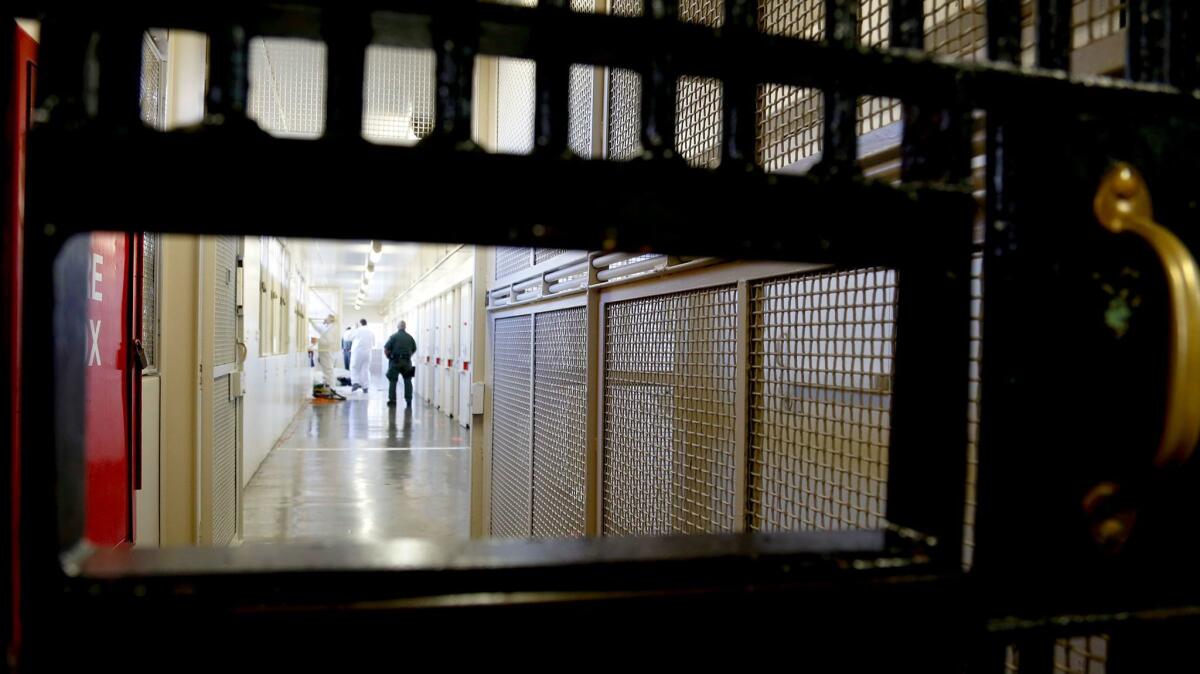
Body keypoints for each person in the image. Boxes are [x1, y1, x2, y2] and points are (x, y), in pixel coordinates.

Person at [383, 320, 418, 408]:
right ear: (405, 327)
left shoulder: (393, 337)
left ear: (398, 327)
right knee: (408, 381)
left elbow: (386, 349)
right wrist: (408, 356)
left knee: (393, 381)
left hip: (395, 362)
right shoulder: (410, 337)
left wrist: (389, 357)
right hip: (407, 362)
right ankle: (409, 401)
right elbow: (414, 349)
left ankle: (392, 400)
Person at [306, 313, 340, 389]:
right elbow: (320, 330)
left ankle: (331, 388)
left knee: (328, 369)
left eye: (327, 318)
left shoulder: (332, 328)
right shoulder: (328, 327)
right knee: (326, 370)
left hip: (327, 351)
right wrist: (311, 321)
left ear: (331, 319)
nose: (325, 319)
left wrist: (318, 340)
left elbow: (326, 338)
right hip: (324, 351)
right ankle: (328, 386)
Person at [349, 318, 376, 393]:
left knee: (354, 367)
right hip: (368, 353)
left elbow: (349, 337)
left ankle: (355, 383)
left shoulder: (358, 330)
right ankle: (365, 387)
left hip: (357, 353)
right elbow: (373, 343)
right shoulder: (371, 332)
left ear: (360, 323)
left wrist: (354, 328)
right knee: (365, 369)